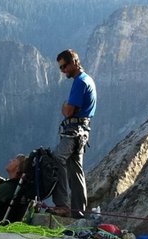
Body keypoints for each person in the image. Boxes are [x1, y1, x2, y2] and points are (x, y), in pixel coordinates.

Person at [48, 49, 97, 219]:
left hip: (74, 132)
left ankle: (62, 205)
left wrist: (64, 106)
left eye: (64, 66)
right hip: (82, 133)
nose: (62, 70)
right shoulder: (88, 80)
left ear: (74, 62)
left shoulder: (80, 82)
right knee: (75, 170)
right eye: (61, 67)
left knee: (57, 158)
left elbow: (68, 111)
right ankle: (78, 211)